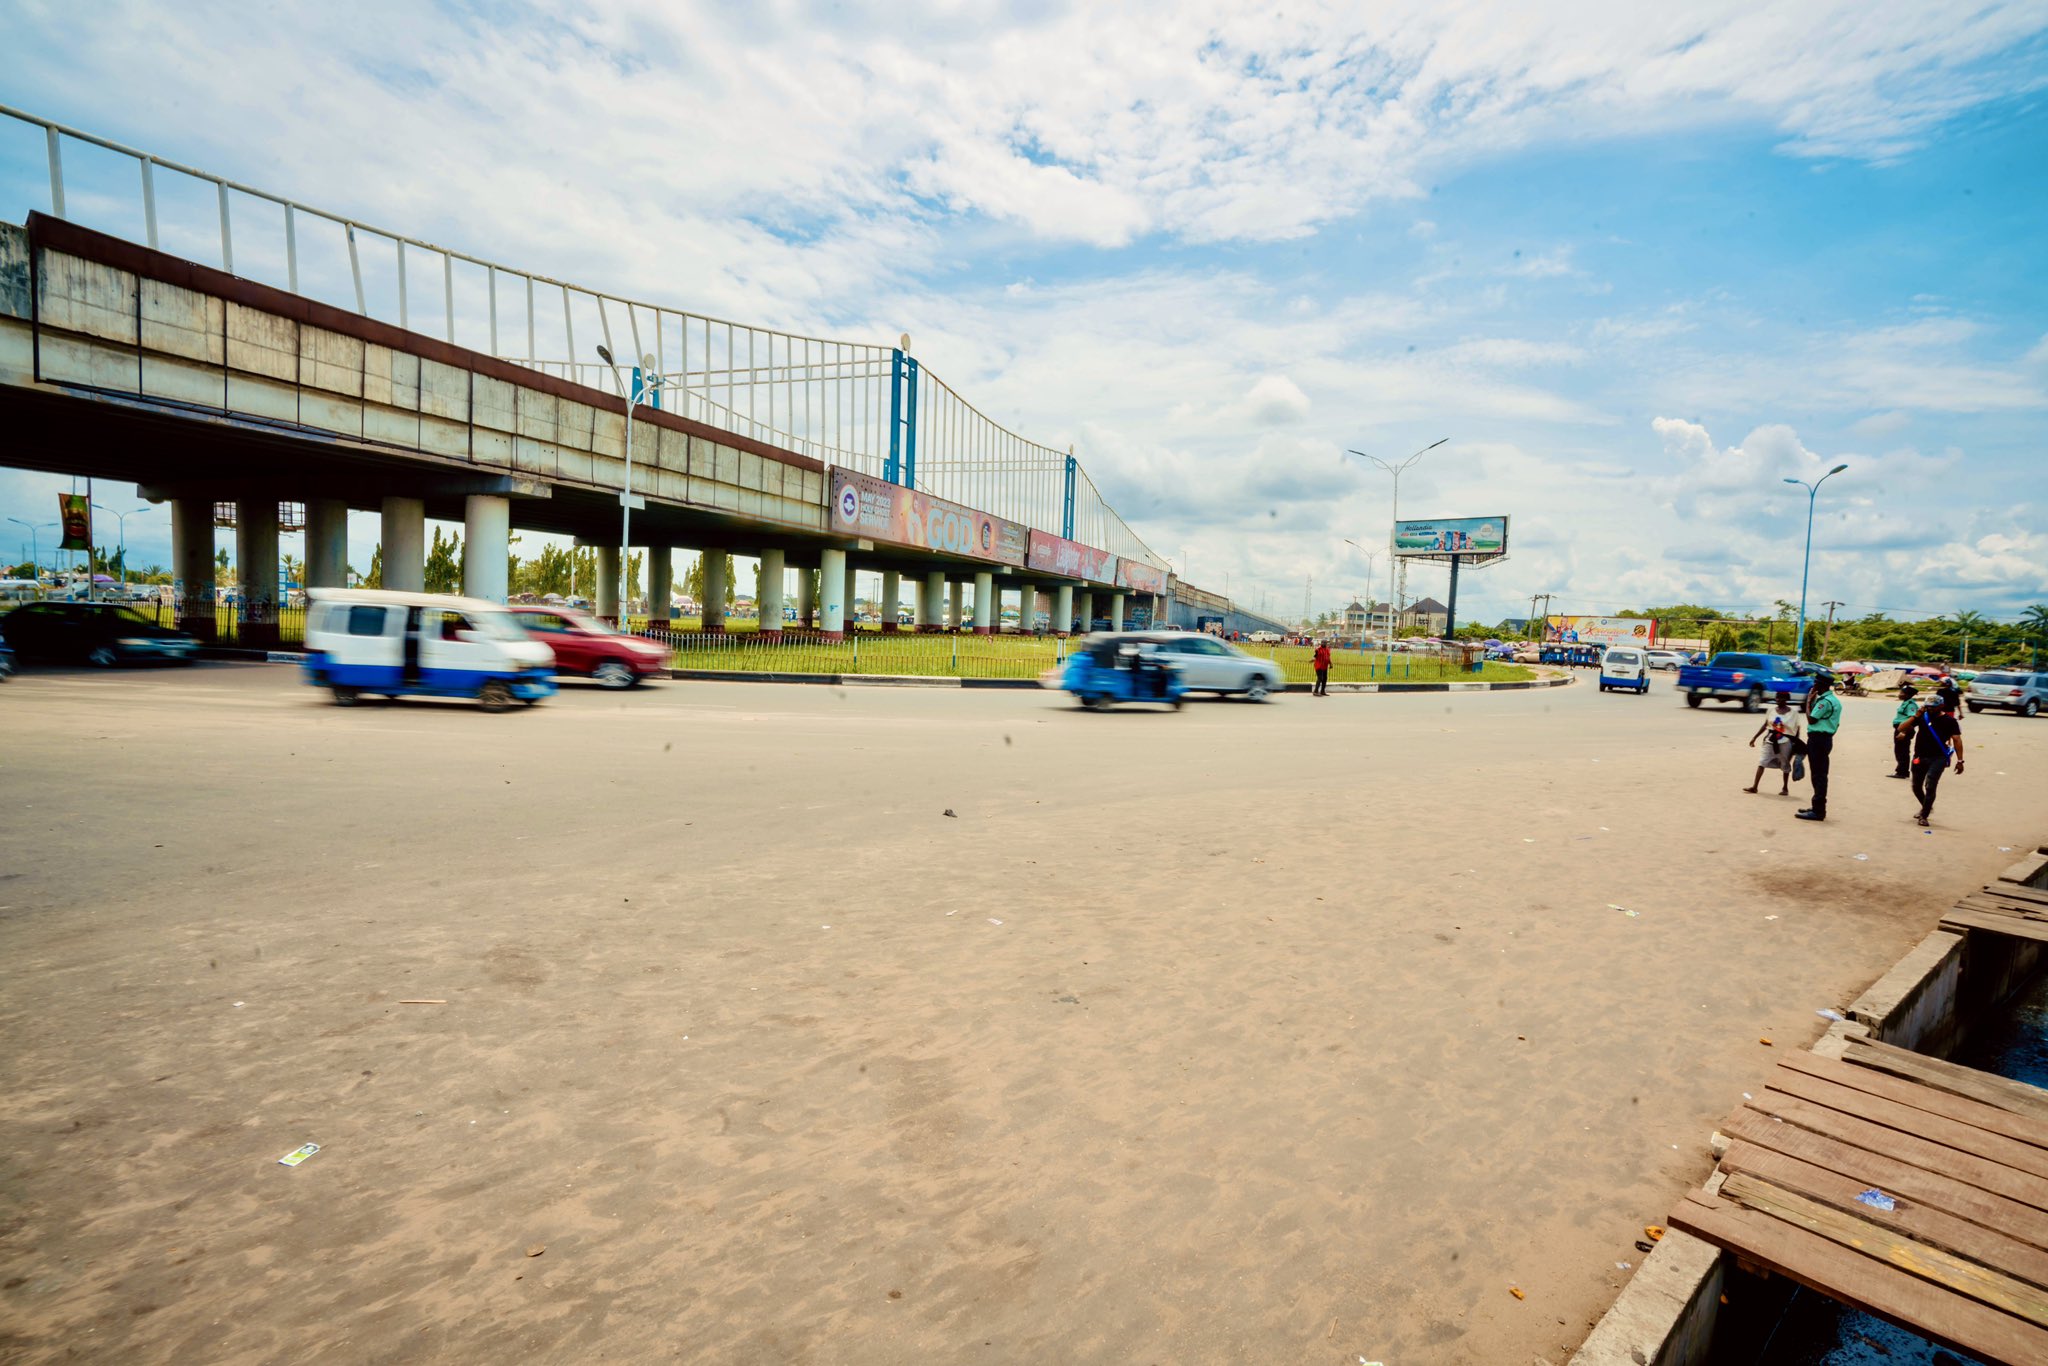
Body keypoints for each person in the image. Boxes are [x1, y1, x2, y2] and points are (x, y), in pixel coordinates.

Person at [1902, 689, 1964, 826]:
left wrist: (1960, 761)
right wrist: (1915, 716)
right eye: (1927, 707)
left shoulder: (1950, 721)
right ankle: (1926, 806)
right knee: (1916, 786)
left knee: (1930, 784)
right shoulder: (1922, 718)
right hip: (1919, 756)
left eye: (1933, 707)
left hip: (1938, 757)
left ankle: (1924, 815)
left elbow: (1957, 740)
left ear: (1941, 706)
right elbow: (1902, 728)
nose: (1930, 709)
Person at [1796, 674, 1841, 822]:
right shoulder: (1832, 700)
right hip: (1824, 739)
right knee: (1819, 774)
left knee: (1819, 775)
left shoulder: (1825, 702)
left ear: (1821, 685)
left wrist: (1808, 702)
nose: (1813, 686)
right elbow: (1836, 724)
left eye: (1815, 683)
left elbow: (1811, 719)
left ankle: (1818, 810)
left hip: (1818, 740)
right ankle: (1816, 807)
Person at [1746, 692, 1802, 795]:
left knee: (1785, 764)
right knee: (1762, 762)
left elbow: (1797, 728)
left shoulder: (1794, 713)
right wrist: (1755, 737)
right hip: (1770, 740)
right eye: (1777, 697)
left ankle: (1785, 788)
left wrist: (1795, 743)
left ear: (1786, 699)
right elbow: (1765, 725)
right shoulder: (1771, 710)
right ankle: (1755, 787)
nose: (1778, 699)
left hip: (1785, 741)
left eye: (1781, 698)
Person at [1889, 684, 1920, 778]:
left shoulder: (1911, 705)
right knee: (1899, 750)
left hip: (1904, 730)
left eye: (1902, 693)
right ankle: (1901, 770)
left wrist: (1903, 732)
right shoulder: (1906, 702)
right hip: (1901, 729)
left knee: (1902, 751)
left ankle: (1902, 772)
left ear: (1907, 695)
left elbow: (1913, 719)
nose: (1899, 694)